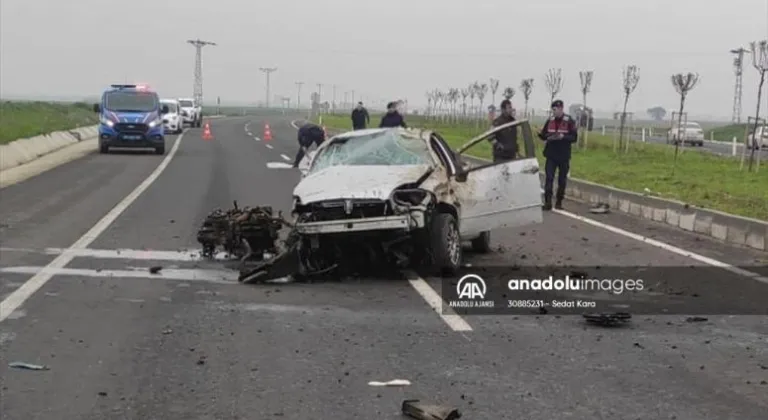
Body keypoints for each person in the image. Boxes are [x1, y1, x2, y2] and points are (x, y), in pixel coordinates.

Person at [538, 99, 578, 210]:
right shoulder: (550, 120)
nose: (554, 112)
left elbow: (574, 137)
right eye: (553, 110)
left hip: (563, 155)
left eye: (555, 109)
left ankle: (559, 202)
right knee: (549, 178)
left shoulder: (569, 121)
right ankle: (548, 203)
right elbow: (544, 135)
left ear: (561, 108)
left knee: (562, 180)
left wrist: (563, 137)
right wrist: (541, 135)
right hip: (551, 155)